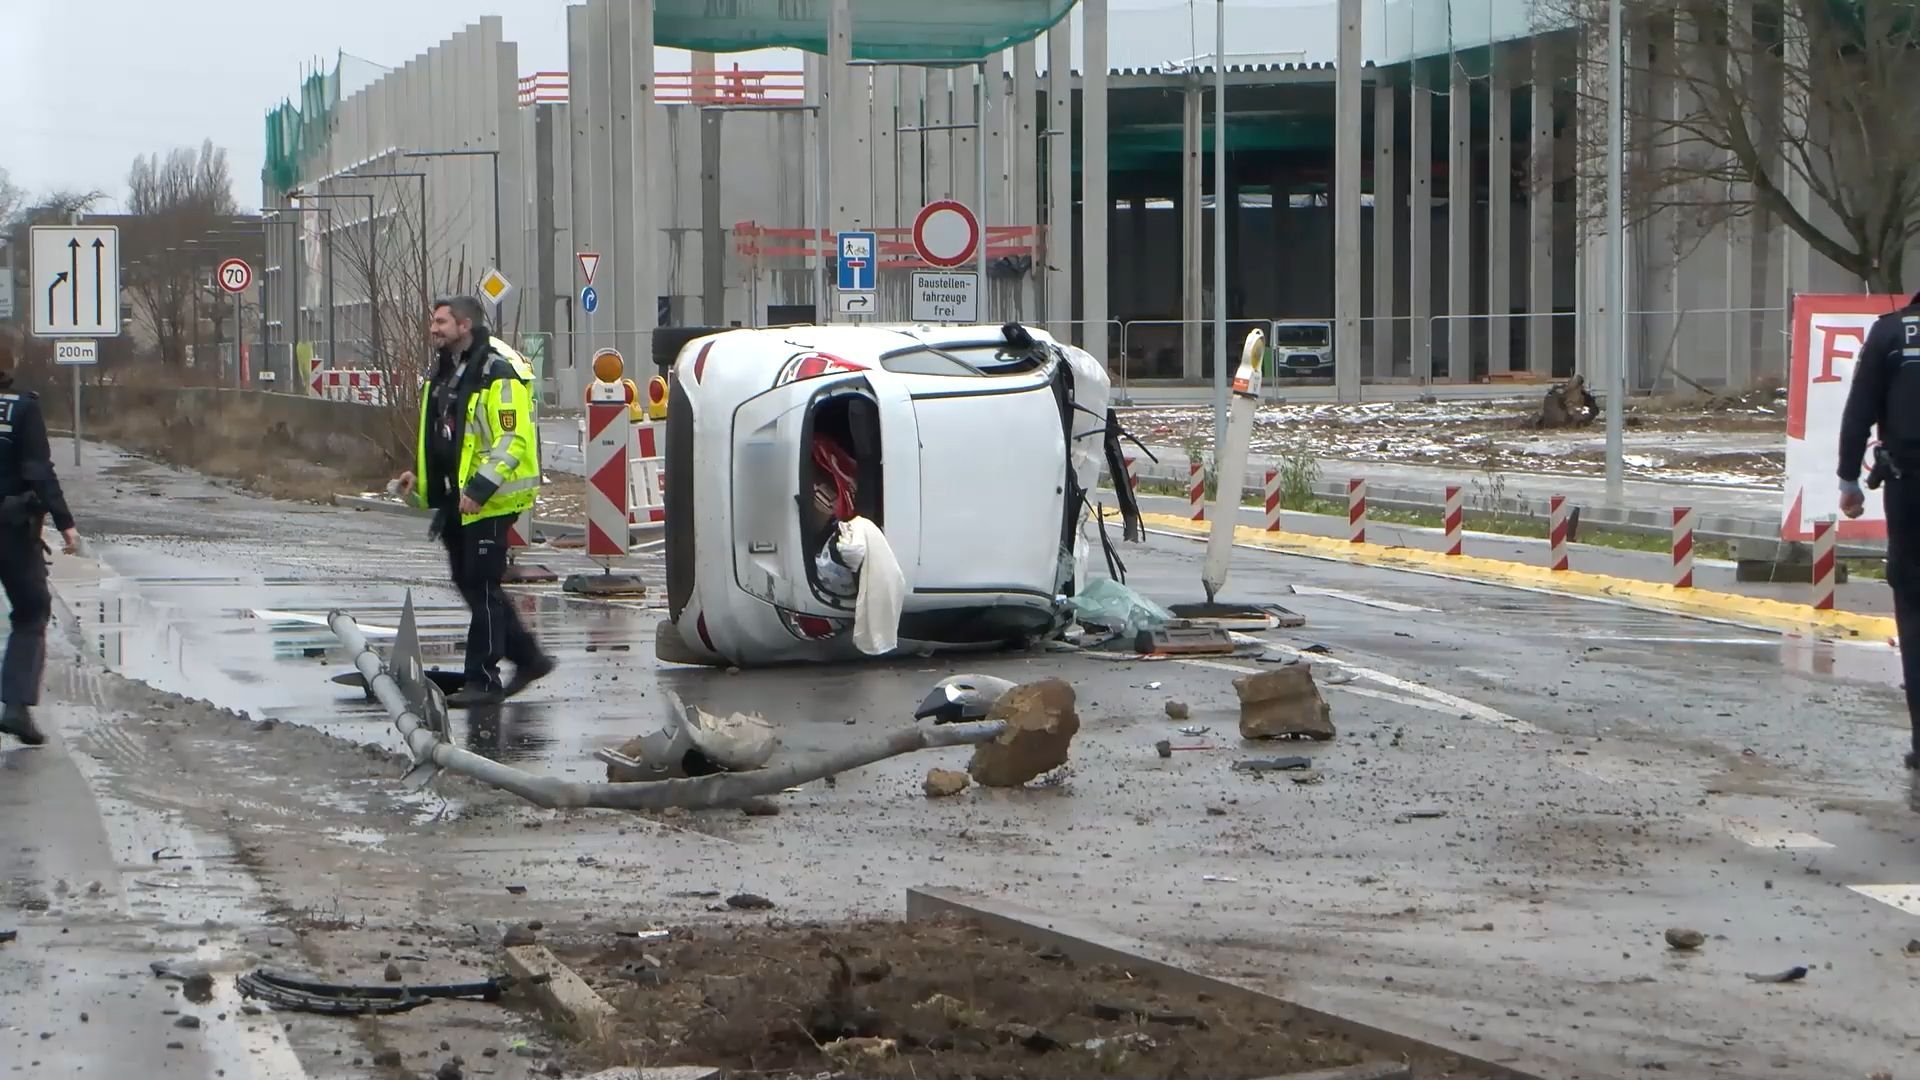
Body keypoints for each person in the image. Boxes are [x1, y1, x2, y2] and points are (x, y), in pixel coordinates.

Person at [395, 296, 555, 707]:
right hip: (456, 500)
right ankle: (529, 657)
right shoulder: (446, 370)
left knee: (482, 586)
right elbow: (447, 434)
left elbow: (512, 439)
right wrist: (422, 475)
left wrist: (480, 490)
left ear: (464, 325)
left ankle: (483, 681)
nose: (433, 328)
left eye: (441, 321)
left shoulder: (496, 371)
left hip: (492, 499)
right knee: (470, 582)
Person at [1837, 291, 1920, 770]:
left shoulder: (1892, 333)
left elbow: (1859, 410)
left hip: (1912, 491)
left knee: (1914, 608)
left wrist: (1849, 480)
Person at [0, 351, 81, 746]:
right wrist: (64, 522)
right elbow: (38, 470)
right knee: (32, 610)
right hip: (11, 529)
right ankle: (16, 707)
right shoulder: (22, 409)